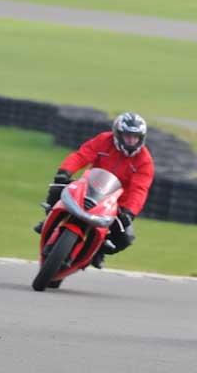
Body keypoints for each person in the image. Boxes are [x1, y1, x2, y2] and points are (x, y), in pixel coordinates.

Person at [34, 112, 155, 269]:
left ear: (142, 138)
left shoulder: (145, 161)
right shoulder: (104, 140)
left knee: (126, 237)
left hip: (116, 202)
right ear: (118, 134)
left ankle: (98, 251)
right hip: (89, 187)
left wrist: (129, 211)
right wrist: (65, 172)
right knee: (57, 187)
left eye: (135, 137)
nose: (131, 140)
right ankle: (50, 217)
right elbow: (82, 155)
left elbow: (140, 189)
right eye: (127, 136)